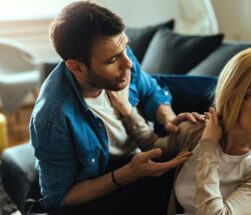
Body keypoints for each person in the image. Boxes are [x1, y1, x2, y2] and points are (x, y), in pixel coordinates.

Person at [30, 1, 203, 214]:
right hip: (109, 174)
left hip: (144, 148)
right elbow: (57, 197)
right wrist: (128, 173)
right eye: (112, 60)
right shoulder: (52, 118)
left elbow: (151, 91)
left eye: (125, 48)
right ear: (77, 67)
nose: (128, 63)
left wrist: (168, 119)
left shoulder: (123, 57)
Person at [108, 47, 251, 215]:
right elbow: (155, 148)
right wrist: (128, 111)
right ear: (234, 100)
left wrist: (209, 147)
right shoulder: (198, 130)